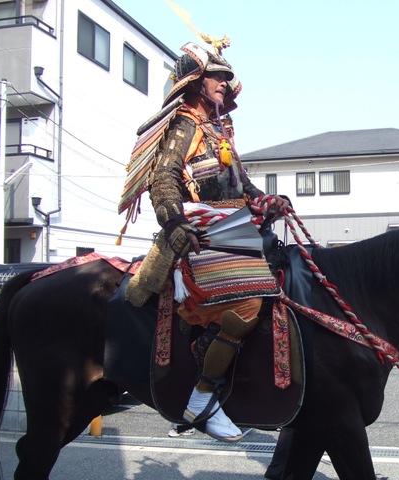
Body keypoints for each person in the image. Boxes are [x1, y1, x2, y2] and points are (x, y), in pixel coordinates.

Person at [124, 41, 289, 442]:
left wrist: (266, 200)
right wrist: (174, 222)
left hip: (234, 227)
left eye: (227, 77)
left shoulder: (221, 133)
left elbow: (243, 186)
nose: (224, 83)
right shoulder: (183, 124)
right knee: (249, 301)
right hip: (200, 230)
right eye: (217, 75)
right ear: (196, 81)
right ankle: (200, 399)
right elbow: (162, 178)